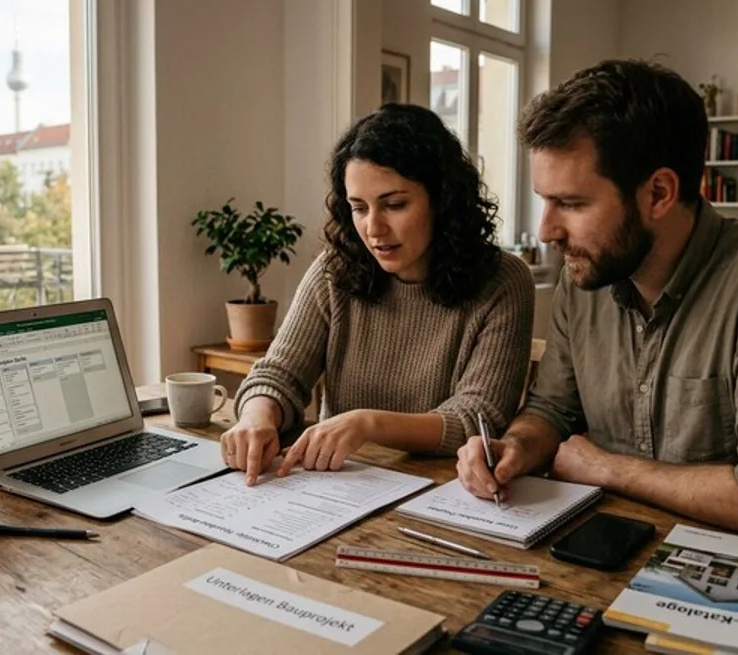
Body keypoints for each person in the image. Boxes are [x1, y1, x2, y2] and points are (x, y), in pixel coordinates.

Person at [456, 59, 738, 542]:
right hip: (617, 551)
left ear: (659, 193)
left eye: (572, 204)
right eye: (545, 199)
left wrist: (607, 468)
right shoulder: (584, 279)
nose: (547, 230)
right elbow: (552, 410)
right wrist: (514, 446)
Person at [222, 103, 535, 485]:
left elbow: (477, 417)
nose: (373, 229)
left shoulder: (503, 281)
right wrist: (258, 416)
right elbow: (279, 373)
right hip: (338, 487)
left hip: (445, 494)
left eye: (395, 204)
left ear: (442, 198)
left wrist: (367, 423)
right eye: (358, 208)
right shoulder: (334, 269)